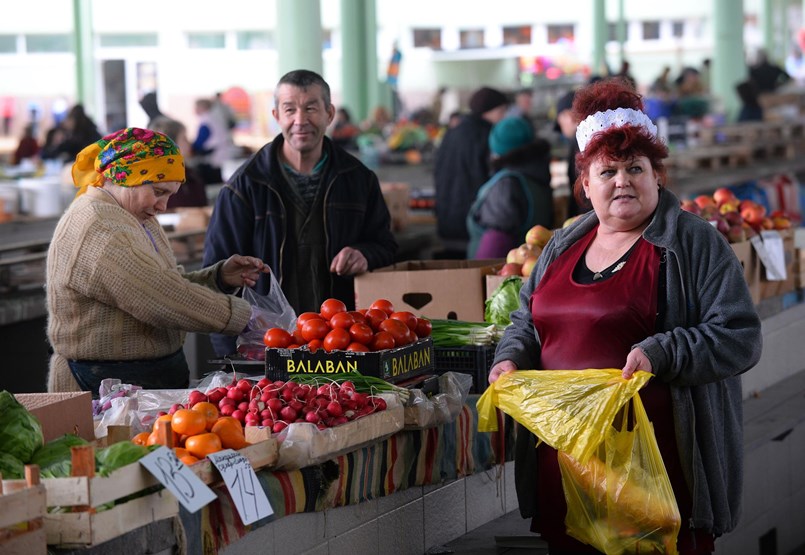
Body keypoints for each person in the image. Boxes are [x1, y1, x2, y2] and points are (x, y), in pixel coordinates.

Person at [488, 79, 762, 554]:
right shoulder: (562, 243)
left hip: (659, 480)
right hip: (568, 472)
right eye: (607, 170)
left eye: (635, 168)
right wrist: (511, 357)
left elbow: (739, 335)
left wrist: (662, 351)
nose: (622, 180)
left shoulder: (693, 244)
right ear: (586, 183)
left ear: (657, 175)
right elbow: (525, 321)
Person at [46, 127, 269, 395]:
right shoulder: (99, 227)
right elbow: (159, 298)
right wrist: (247, 317)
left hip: (138, 381)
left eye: (169, 195)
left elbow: (162, 281)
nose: (163, 206)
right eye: (159, 191)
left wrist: (217, 278)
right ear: (128, 176)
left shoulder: (132, 216)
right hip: (102, 386)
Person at [202, 69, 398, 357]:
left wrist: (364, 253)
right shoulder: (245, 187)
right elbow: (216, 277)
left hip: (342, 343)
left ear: (329, 113)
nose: (300, 120)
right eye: (290, 109)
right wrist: (228, 358)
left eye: (311, 108)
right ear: (276, 115)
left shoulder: (358, 179)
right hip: (269, 344)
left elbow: (386, 246)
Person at [433, 86, 508, 258]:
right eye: (501, 111)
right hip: (471, 220)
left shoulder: (451, 133)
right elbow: (487, 180)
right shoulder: (486, 136)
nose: (503, 116)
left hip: (446, 217)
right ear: (488, 111)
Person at [466, 116, 552, 258]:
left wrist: (478, 277)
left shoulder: (507, 185)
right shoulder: (535, 174)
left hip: (496, 274)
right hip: (527, 267)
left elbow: (496, 241)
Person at [148, 116, 209, 208]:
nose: (189, 142)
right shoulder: (157, 182)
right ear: (171, 145)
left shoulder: (191, 175)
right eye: (184, 138)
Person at [192, 97, 236, 185]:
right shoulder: (215, 117)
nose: (194, 110)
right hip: (224, 153)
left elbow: (200, 142)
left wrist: (192, 149)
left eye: (196, 107)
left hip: (215, 157)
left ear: (202, 107)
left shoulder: (205, 120)